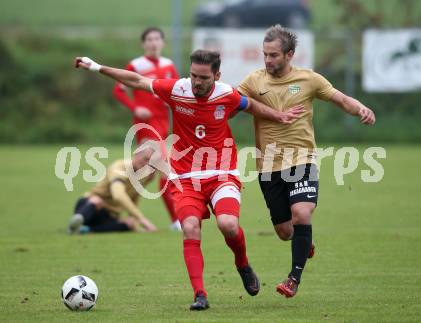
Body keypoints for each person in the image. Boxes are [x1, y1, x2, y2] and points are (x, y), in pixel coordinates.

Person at [74, 49, 303, 310]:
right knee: (190, 228)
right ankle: (200, 294)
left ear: (216, 76)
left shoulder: (226, 94)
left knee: (228, 225)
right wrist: (97, 67)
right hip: (184, 176)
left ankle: (242, 264)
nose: (196, 82)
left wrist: (279, 115)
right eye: (193, 75)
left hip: (221, 173)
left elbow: (249, 105)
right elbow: (137, 81)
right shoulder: (177, 89)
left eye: (203, 77)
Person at [237, 24, 376, 299]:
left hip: (302, 159)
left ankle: (293, 278)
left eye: (274, 55)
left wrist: (360, 108)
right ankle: (305, 241)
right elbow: (231, 101)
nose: (268, 60)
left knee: (302, 213)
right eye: (265, 54)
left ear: (290, 55)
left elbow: (341, 99)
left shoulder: (309, 79)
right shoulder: (254, 81)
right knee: (285, 231)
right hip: (268, 166)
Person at [113, 27, 181, 231]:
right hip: (146, 126)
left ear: (163, 42)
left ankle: (124, 210)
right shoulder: (136, 65)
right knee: (166, 169)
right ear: (143, 44)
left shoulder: (169, 65)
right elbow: (119, 90)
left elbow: (176, 90)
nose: (153, 42)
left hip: (163, 125)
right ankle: (175, 221)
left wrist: (173, 103)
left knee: (147, 174)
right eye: (149, 39)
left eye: (157, 39)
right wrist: (135, 107)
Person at [68, 149, 158, 234]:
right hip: (90, 206)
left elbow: (135, 196)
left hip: (110, 215)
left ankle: (85, 230)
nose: (147, 164)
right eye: (145, 159)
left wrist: (135, 222)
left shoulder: (146, 174)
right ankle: (78, 220)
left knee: (130, 223)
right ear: (136, 155)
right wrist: (142, 219)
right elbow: (118, 195)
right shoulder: (119, 167)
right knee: (96, 201)